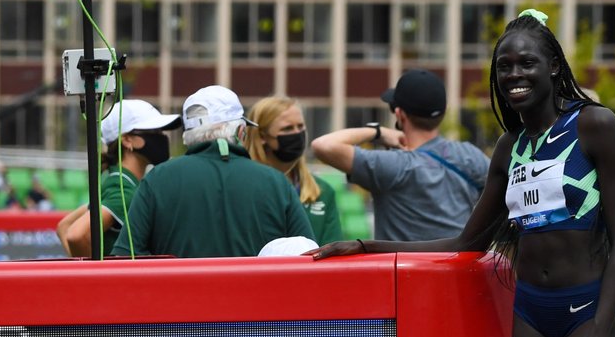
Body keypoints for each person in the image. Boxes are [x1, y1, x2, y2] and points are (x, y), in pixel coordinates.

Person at [314, 8, 615, 337]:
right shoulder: (510, 146)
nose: (514, 74)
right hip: (531, 315)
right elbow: (468, 242)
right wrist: (367, 247)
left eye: (526, 63)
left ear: (553, 68)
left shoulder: (594, 126)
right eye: (504, 66)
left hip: (589, 314)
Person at [114, 85, 314, 258]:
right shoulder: (276, 182)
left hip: (177, 301)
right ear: (241, 132)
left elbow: (126, 256)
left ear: (188, 135)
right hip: (255, 301)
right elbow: (307, 254)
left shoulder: (158, 179)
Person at [311, 69, 489, 241]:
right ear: (443, 112)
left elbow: (323, 146)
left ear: (399, 114)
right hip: (460, 268)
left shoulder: (393, 165)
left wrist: (378, 132)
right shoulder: (470, 156)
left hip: (404, 270)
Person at [56, 98, 181, 257]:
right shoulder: (123, 190)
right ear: (127, 139)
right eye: (153, 132)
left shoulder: (118, 181)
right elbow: (75, 235)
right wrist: (99, 278)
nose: (162, 138)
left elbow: (64, 226)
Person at [246, 96, 343, 244]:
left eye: (300, 126)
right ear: (262, 136)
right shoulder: (244, 187)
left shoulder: (322, 191)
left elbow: (333, 252)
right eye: (287, 128)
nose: (297, 133)